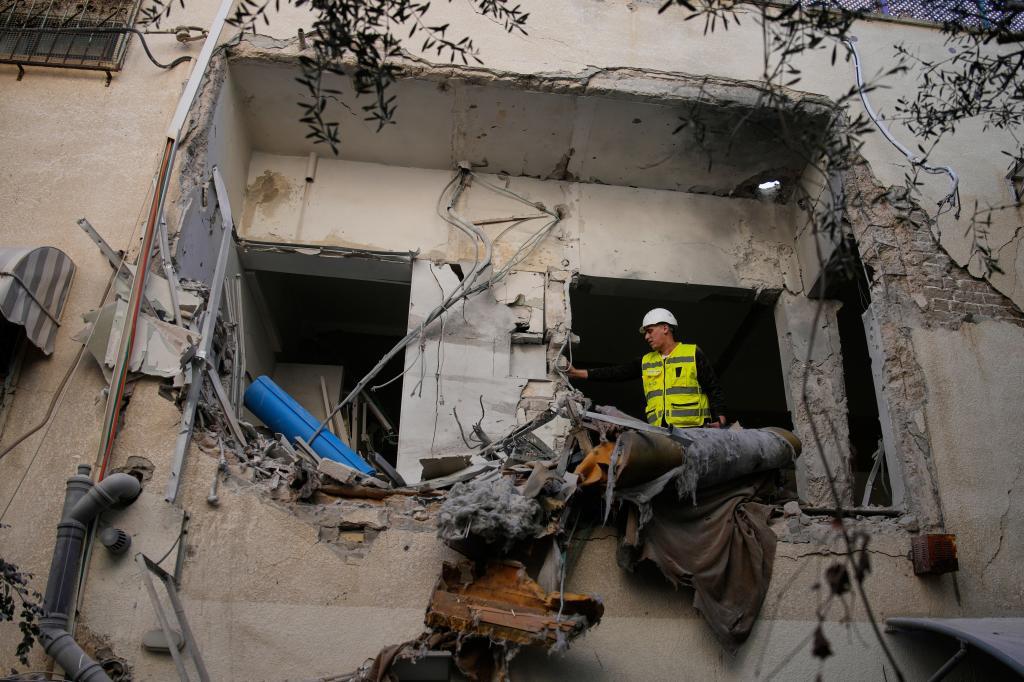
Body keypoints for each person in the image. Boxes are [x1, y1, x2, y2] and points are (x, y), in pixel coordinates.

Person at [567, 307, 727, 428]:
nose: (646, 337)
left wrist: (720, 417)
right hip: (661, 432)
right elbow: (615, 373)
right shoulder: (646, 361)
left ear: (665, 328)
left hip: (695, 429)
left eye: (650, 331)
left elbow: (713, 387)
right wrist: (577, 373)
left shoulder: (692, 353)